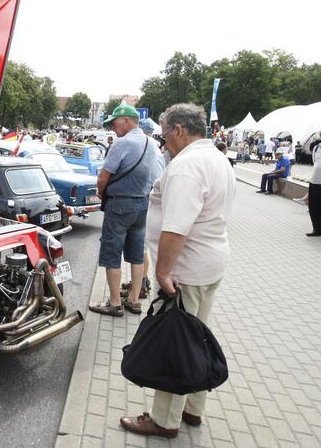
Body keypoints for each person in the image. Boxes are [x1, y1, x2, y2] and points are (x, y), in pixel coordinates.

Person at [120, 103, 236, 439]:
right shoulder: (216, 158)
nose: (162, 141)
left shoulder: (188, 166)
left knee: (176, 345)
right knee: (196, 338)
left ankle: (165, 420)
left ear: (179, 131)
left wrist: (162, 271)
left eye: (164, 133)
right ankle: (192, 409)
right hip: (209, 263)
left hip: (186, 270)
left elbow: (176, 227)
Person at [88, 103, 164, 317]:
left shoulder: (121, 144)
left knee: (112, 253)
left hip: (120, 204)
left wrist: (101, 193)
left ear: (128, 121)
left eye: (115, 122)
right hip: (142, 205)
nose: (113, 127)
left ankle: (114, 303)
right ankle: (133, 300)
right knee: (137, 255)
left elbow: (103, 176)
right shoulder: (152, 143)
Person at [306, 141, 321, 236]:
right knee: (313, 206)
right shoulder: (316, 147)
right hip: (315, 181)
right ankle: (317, 229)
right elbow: (314, 161)